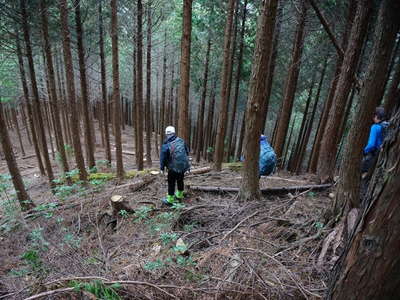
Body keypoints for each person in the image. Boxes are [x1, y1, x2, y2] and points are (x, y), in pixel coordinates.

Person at [160, 126, 190, 205]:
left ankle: (170, 200)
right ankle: (179, 195)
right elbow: (187, 152)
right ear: (174, 133)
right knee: (180, 180)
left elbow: (162, 158)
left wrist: (161, 168)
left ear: (166, 134)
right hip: (182, 166)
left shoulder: (166, 144)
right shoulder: (181, 141)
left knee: (171, 183)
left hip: (172, 168)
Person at [361, 107, 389, 177]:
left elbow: (371, 144)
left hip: (374, 155)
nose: (373, 119)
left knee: (364, 176)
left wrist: (364, 151)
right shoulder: (388, 125)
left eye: (374, 116)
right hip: (385, 156)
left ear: (376, 116)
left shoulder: (375, 127)